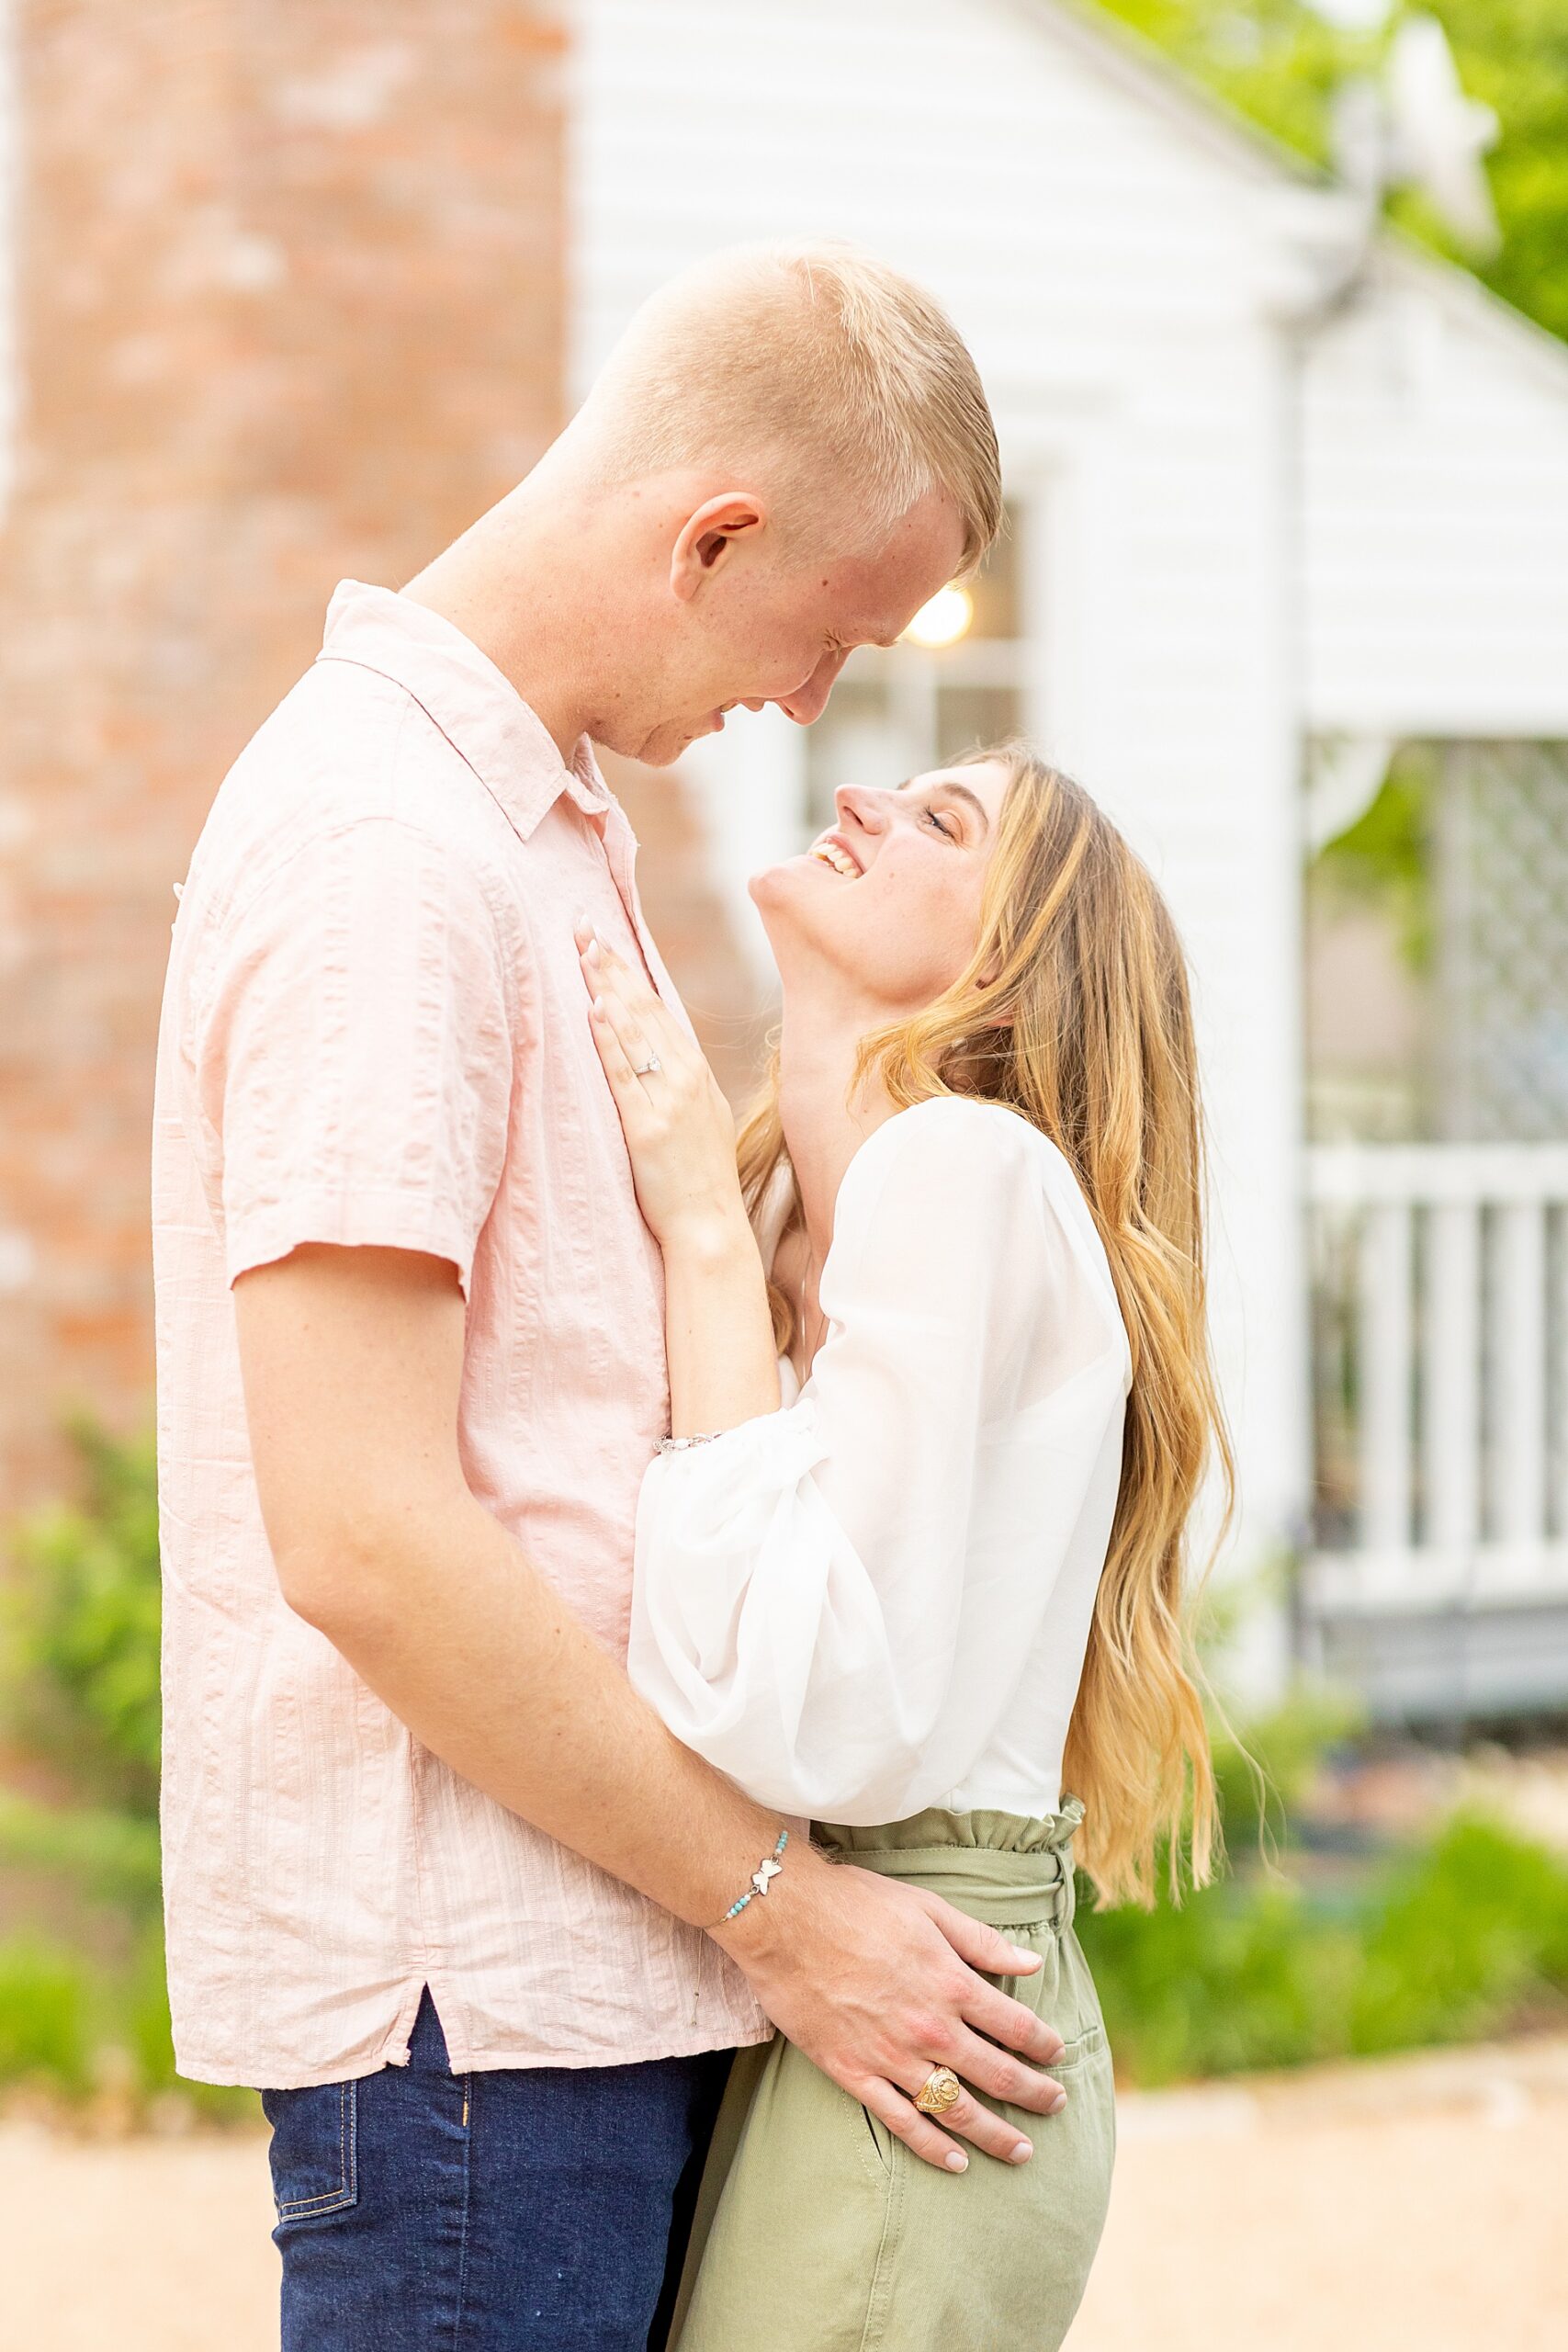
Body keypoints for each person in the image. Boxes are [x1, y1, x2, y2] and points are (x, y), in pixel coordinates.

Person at [152, 243, 1076, 2352]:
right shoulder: (386, 849)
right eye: (828, 631)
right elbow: (365, 1534)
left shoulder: (543, 827)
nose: (811, 705)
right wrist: (785, 1912)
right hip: (485, 2034)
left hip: (584, 1984)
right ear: (712, 535)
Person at [575, 741, 1231, 2350]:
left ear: (1006, 973)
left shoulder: (963, 1169)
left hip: (917, 2000)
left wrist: (711, 1261)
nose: (865, 794)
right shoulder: (827, 1202)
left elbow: (809, 1711)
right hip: (877, 1990)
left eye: (944, 819)